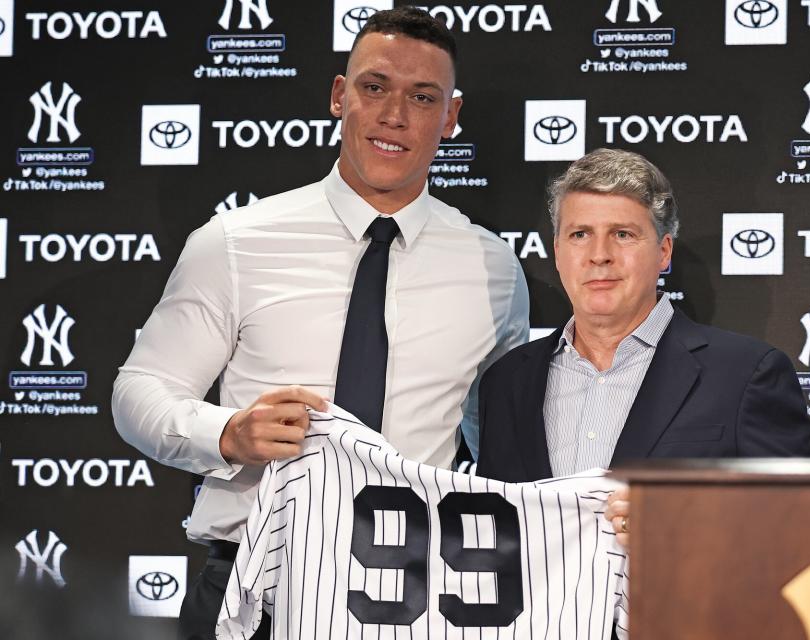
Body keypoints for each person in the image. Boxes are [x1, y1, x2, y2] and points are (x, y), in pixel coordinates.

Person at [112, 8, 528, 639]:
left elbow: (507, 439)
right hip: (253, 590)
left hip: (416, 596)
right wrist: (228, 433)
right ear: (340, 96)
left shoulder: (494, 268)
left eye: (423, 97)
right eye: (374, 87)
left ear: (450, 118)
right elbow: (137, 391)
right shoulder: (234, 241)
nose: (395, 115)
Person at [476, 148, 810, 548]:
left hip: (680, 607)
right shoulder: (505, 383)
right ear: (557, 252)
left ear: (663, 252)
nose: (599, 255)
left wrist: (688, 522)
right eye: (579, 234)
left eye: (623, 234)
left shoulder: (746, 375)